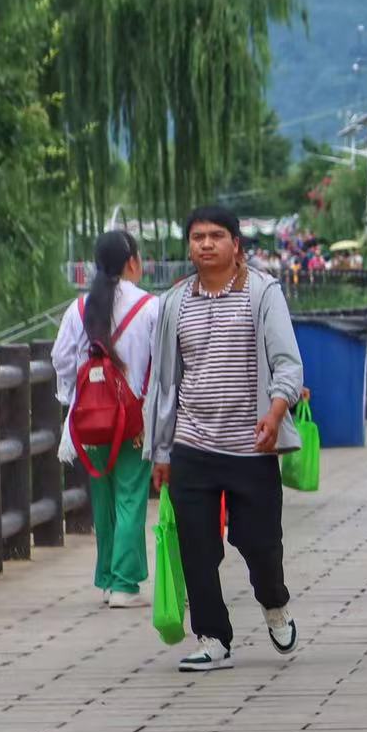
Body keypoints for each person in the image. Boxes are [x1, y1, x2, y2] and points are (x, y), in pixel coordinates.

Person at [143, 205, 305, 674]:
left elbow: (288, 363)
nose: (206, 244)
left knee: (259, 543)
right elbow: (164, 383)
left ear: (237, 244)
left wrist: (275, 413)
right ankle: (213, 637)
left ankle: (274, 604)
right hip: (193, 444)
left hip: (251, 445)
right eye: (198, 237)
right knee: (197, 545)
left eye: (217, 235)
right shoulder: (174, 303)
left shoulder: (262, 292)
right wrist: (161, 450)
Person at [51, 229, 160, 609]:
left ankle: (108, 578)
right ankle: (125, 585)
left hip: (90, 420)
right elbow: (162, 366)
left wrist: (76, 397)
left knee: (104, 499)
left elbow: (61, 359)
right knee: (131, 496)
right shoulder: (149, 306)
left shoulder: (79, 308)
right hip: (133, 419)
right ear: (132, 261)